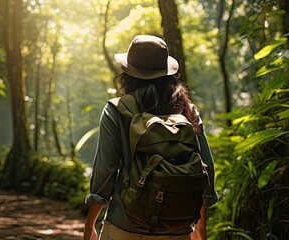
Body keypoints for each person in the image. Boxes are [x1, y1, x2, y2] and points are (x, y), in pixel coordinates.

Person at [83, 35, 219, 240]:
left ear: (128, 73)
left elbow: (105, 173)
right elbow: (205, 168)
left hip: (125, 226)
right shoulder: (187, 111)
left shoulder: (116, 110)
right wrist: (200, 228)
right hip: (178, 229)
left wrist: (90, 225)